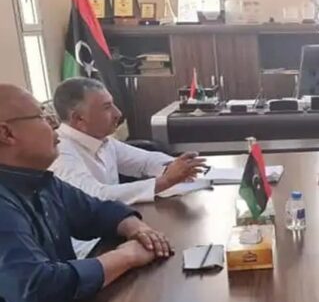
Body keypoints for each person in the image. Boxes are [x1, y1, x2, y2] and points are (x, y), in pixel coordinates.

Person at [0, 84, 173, 302]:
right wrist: (126, 256)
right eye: (43, 117)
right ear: (6, 133)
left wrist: (137, 228)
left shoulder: (40, 181)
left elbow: (96, 211)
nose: (55, 125)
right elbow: (35, 288)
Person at [49, 77, 206, 206]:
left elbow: (145, 161)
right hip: (91, 235)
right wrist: (165, 181)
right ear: (78, 118)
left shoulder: (102, 140)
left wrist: (178, 166)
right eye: (106, 107)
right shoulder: (59, 152)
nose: (118, 113)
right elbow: (95, 196)